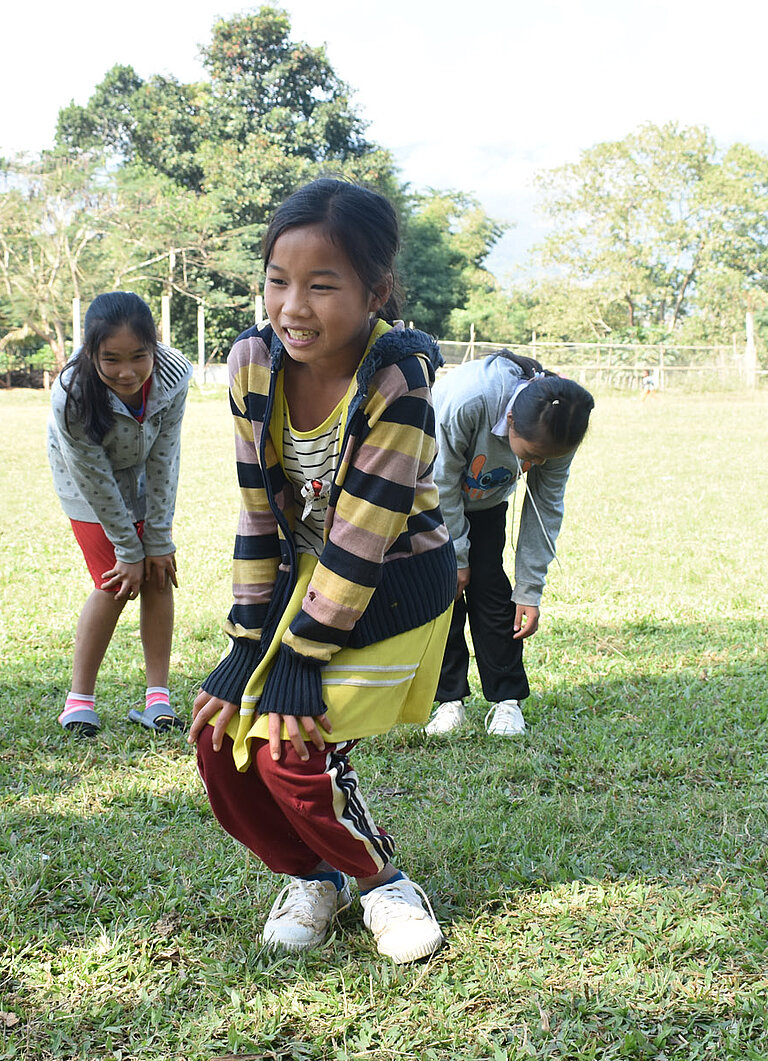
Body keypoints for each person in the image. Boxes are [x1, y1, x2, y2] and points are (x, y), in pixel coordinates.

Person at [189, 178, 456, 964]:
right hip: (304, 580)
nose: (293, 306)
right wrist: (247, 644)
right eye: (278, 280)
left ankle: (381, 881)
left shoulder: (396, 381)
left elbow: (365, 537)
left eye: (322, 285)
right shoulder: (249, 363)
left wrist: (299, 658)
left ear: (375, 292)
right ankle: (313, 874)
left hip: (396, 583)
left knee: (284, 739)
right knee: (217, 734)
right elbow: (255, 513)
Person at [425, 352, 594, 738]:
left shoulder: (559, 432)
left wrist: (529, 591)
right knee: (442, 595)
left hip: (485, 505)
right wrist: (455, 557)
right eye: (530, 455)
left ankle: (507, 702)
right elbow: (441, 481)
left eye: (545, 459)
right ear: (511, 420)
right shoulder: (471, 400)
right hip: (432, 502)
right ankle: (449, 700)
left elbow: (545, 509)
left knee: (494, 594)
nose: (534, 466)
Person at [48, 291, 193, 737]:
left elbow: (164, 458)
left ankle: (157, 698)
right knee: (114, 581)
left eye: (139, 356)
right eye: (111, 359)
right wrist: (127, 549)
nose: (127, 371)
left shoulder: (174, 377)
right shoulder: (71, 395)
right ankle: (79, 701)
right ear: (91, 353)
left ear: (156, 347)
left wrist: (158, 539)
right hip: (85, 487)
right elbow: (95, 480)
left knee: (157, 573)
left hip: (144, 476)